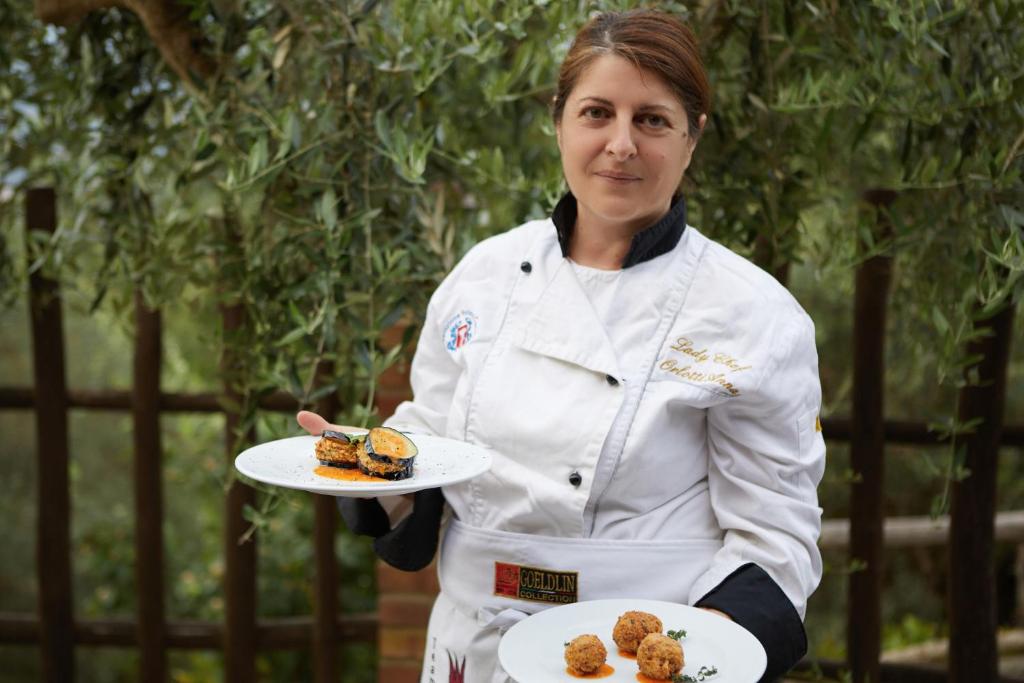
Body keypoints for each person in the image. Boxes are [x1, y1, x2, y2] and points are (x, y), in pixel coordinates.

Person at [298, 9, 825, 683]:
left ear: (694, 136)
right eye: (597, 112)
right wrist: (370, 469)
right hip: (472, 649)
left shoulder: (754, 315)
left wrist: (693, 657)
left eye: (653, 120)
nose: (621, 143)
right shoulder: (482, 277)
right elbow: (431, 445)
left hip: (635, 658)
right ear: (559, 121)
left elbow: (775, 540)